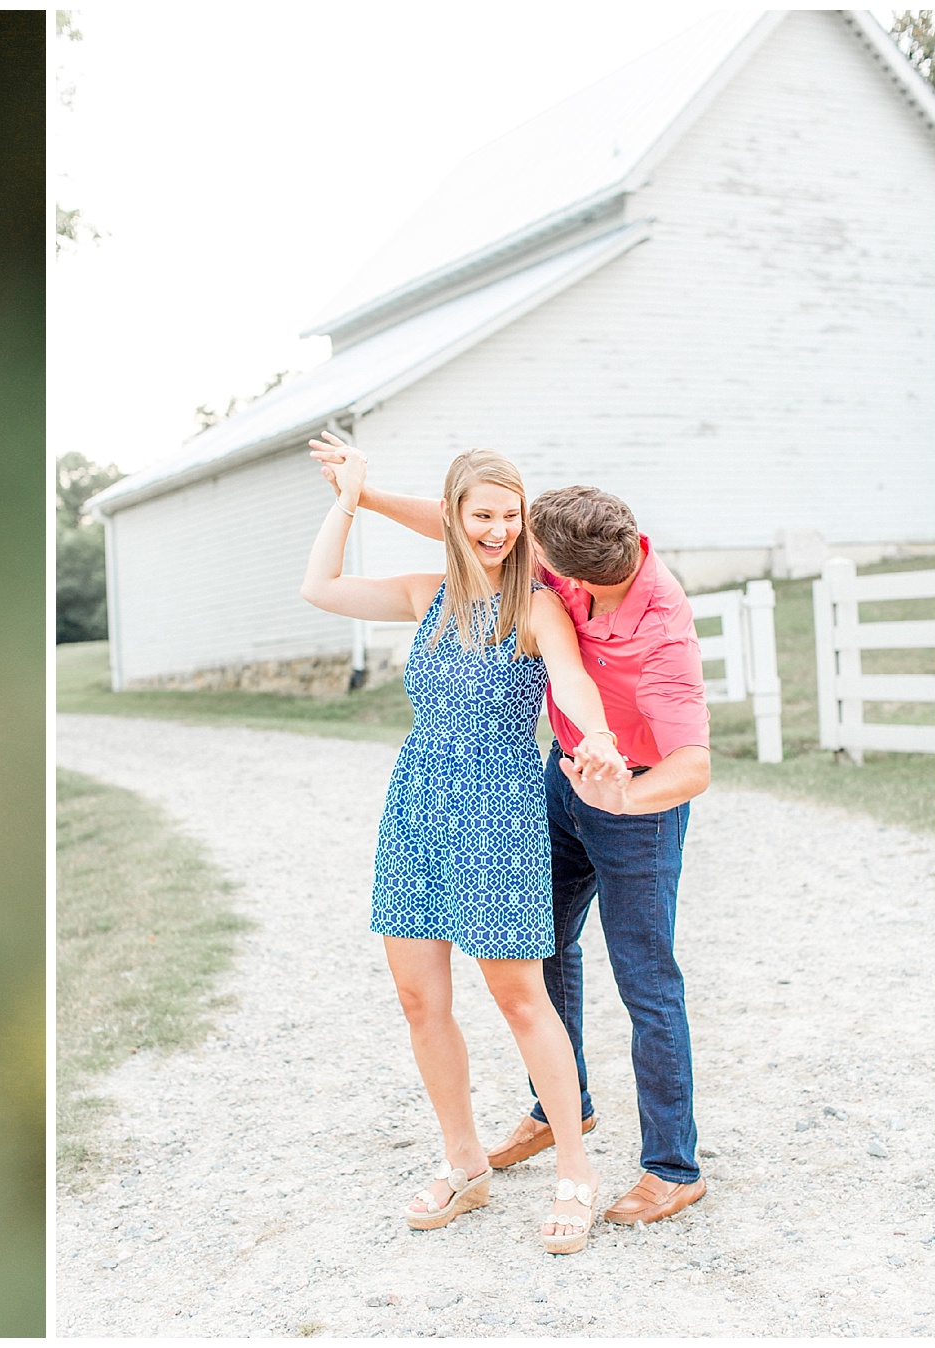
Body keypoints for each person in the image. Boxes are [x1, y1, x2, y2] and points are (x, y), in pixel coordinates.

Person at [312, 430, 712, 1228]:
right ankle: (500, 1143)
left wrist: (605, 761)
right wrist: (355, 495)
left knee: (593, 982)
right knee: (478, 975)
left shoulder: (592, 614)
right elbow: (346, 575)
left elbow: (612, 709)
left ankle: (635, 1166)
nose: (502, 534)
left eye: (511, 520)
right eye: (486, 518)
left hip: (567, 802)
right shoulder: (453, 585)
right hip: (469, 797)